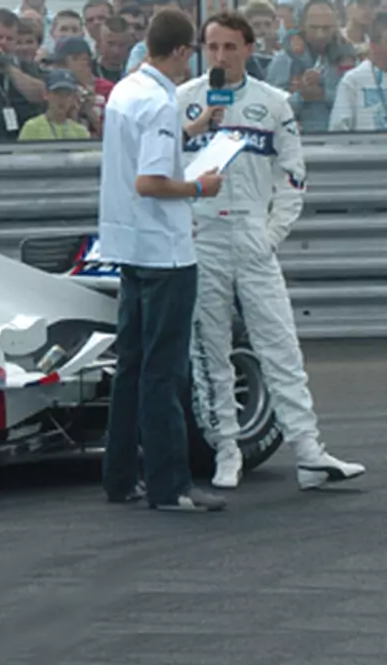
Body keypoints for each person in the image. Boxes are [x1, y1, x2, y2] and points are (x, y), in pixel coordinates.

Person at [178, 11, 366, 490]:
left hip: (252, 236)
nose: (220, 56)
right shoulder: (182, 101)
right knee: (210, 349)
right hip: (203, 237)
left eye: (230, 47)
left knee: (279, 342)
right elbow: (165, 174)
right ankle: (226, 449)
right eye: (212, 48)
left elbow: (293, 175)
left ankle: (309, 451)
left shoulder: (274, 102)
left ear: (248, 47)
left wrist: (272, 232)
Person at [97, 8, 227, 513]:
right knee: (163, 370)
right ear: (179, 51)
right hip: (164, 251)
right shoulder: (158, 103)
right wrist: (200, 186)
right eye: (191, 50)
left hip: (129, 244)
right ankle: (171, 484)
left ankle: (120, 476)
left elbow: (141, 159)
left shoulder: (128, 91)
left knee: (131, 364)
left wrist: (190, 129)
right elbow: (150, 182)